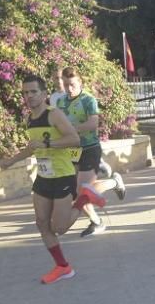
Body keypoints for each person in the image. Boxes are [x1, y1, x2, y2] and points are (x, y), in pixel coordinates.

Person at [0, 75, 86, 284]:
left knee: (60, 228)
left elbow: (74, 139)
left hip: (63, 175)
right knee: (41, 223)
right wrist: (11, 161)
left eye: (33, 92)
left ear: (44, 94)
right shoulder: (29, 119)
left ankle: (84, 199)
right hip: (44, 177)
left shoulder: (53, 114)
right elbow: (32, 147)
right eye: (25, 92)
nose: (29, 96)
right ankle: (63, 267)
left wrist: (48, 146)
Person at [52, 68, 126, 237]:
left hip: (89, 148)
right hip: (71, 150)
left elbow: (93, 124)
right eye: (65, 85)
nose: (69, 89)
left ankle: (115, 182)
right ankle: (96, 221)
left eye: (72, 85)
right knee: (74, 191)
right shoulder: (61, 102)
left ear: (80, 83)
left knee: (83, 189)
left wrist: (71, 130)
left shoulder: (88, 100)